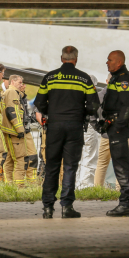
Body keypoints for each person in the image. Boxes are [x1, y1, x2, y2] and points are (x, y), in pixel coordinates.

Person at [34, 46, 100, 219]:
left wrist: (53, 112)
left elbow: (39, 103)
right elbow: (94, 106)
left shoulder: (49, 77)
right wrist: (82, 113)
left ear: (61, 58)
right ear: (76, 59)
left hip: (54, 126)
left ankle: (48, 208)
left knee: (52, 166)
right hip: (75, 126)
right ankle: (67, 207)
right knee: (70, 167)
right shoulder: (84, 79)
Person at [100, 50, 129, 216]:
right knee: (118, 165)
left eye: (109, 60)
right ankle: (125, 202)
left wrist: (118, 126)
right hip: (114, 126)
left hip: (119, 128)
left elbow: (127, 106)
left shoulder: (125, 80)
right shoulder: (116, 77)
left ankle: (127, 203)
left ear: (119, 63)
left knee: (121, 166)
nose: (106, 63)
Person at [94, 78, 129, 188]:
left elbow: (91, 115)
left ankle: (97, 190)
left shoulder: (99, 96)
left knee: (102, 164)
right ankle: (121, 190)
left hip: (106, 135)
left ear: (106, 81)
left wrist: (99, 128)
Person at [75, 74, 102, 189]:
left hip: (76, 127)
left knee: (77, 157)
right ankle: (86, 185)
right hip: (89, 127)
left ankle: (75, 184)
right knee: (90, 155)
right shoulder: (92, 95)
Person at [1, 75, 27, 187]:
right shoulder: (12, 93)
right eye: (20, 82)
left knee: (9, 159)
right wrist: (20, 129)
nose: (22, 85)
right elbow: (11, 111)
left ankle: (9, 184)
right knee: (21, 158)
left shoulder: (12, 92)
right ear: (13, 81)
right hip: (13, 131)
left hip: (9, 130)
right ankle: (19, 186)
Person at [19, 80, 39, 183]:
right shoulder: (13, 95)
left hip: (26, 130)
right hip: (18, 132)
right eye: (21, 83)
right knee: (20, 159)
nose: (24, 86)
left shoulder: (23, 97)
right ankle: (18, 183)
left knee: (32, 157)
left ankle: (32, 181)